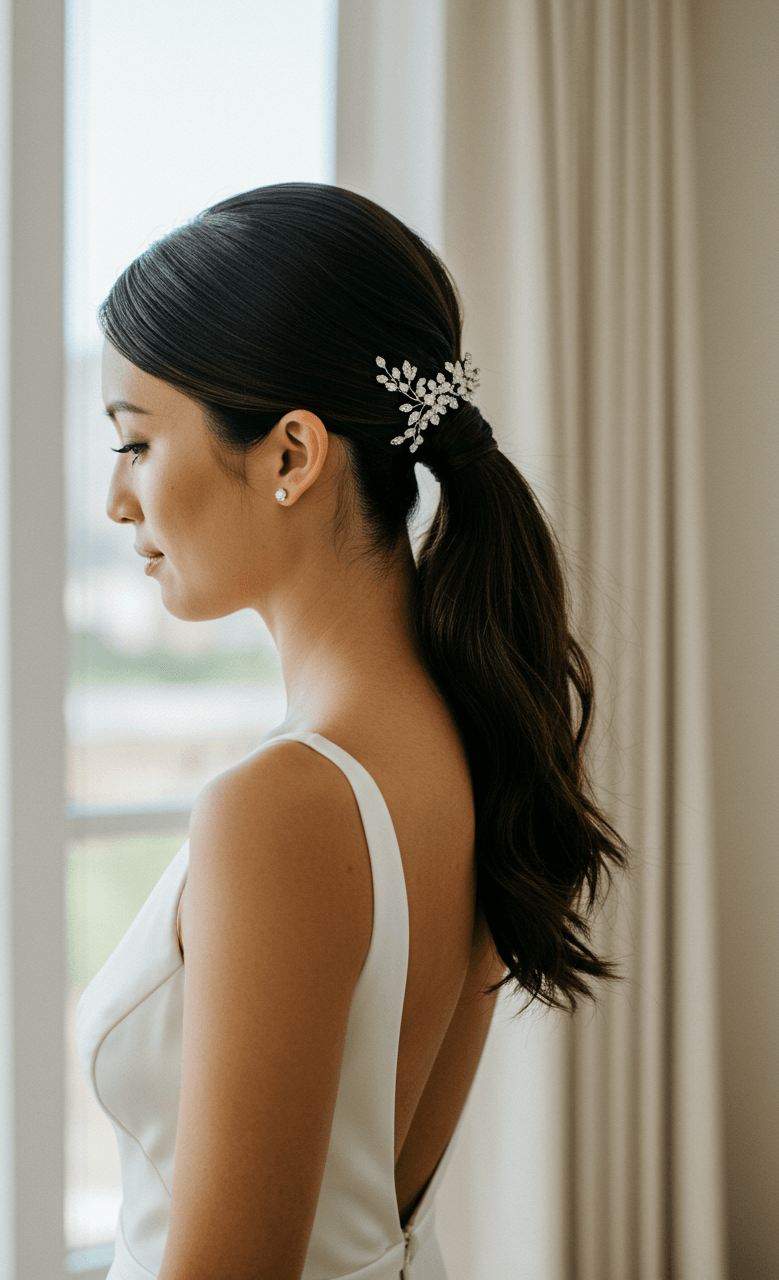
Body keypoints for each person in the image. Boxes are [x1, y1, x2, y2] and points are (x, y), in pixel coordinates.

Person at [76, 182, 627, 1280]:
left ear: (290, 455)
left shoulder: (281, 805)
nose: (116, 501)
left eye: (135, 442)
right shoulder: (466, 733)